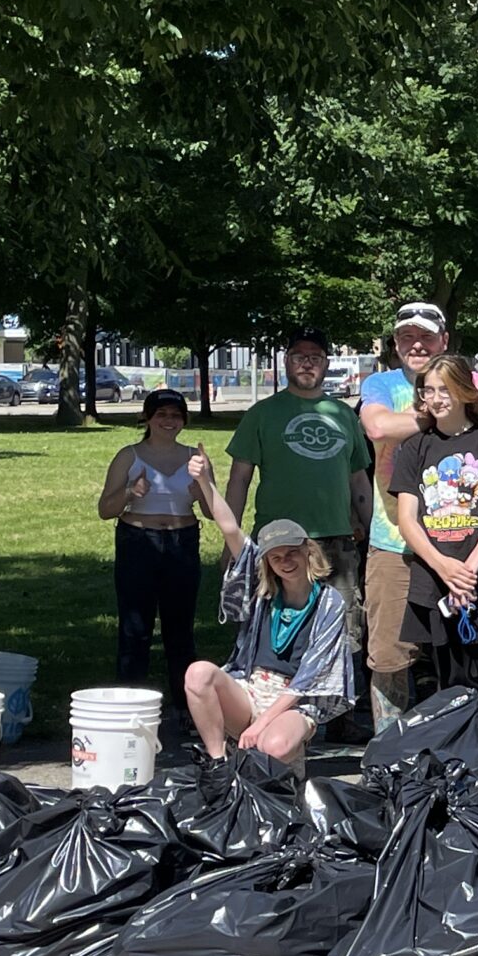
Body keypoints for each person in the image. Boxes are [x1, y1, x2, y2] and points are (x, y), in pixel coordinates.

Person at [358, 302, 478, 726]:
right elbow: (377, 427)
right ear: (395, 344)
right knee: (388, 658)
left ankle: (459, 745)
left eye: (426, 336)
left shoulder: (470, 375)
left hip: (459, 545)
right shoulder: (381, 383)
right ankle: (392, 753)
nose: (416, 344)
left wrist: (435, 407)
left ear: (444, 340)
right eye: (407, 337)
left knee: (459, 654)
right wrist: (442, 410)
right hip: (394, 542)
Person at [225, 327, 367, 690]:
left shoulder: (344, 415)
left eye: (315, 357)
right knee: (273, 627)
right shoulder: (262, 414)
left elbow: (358, 482)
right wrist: (233, 540)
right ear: (286, 361)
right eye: (299, 356)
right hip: (277, 543)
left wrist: (374, 532)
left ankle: (340, 716)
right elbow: (239, 478)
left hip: (335, 538)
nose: (307, 364)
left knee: (343, 626)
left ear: (326, 364)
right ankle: (268, 706)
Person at [184, 489, 356, 763]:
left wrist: (261, 723)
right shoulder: (261, 592)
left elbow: (311, 677)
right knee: (197, 673)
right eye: (276, 558)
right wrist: (204, 480)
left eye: (292, 553)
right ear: (267, 563)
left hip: (294, 700)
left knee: (272, 747)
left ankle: (287, 762)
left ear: (308, 551)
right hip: (249, 687)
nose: (285, 562)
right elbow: (229, 528)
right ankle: (218, 764)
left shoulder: (328, 602)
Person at [388, 352, 478, 695]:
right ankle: (449, 746)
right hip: (432, 577)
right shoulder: (415, 448)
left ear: (463, 391)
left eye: (444, 390)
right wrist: (444, 568)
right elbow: (407, 519)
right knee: (443, 679)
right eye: (428, 391)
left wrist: (466, 573)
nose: (435, 399)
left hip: (477, 578)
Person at [99, 387, 216, 697]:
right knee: (135, 627)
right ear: (147, 418)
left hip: (182, 541)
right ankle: (129, 698)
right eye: (161, 414)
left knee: (180, 629)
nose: (169, 421)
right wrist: (128, 493)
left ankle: (185, 704)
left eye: (176, 415)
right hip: (138, 541)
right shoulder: (129, 455)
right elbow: (104, 510)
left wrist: (202, 489)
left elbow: (212, 511)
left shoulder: (196, 457)